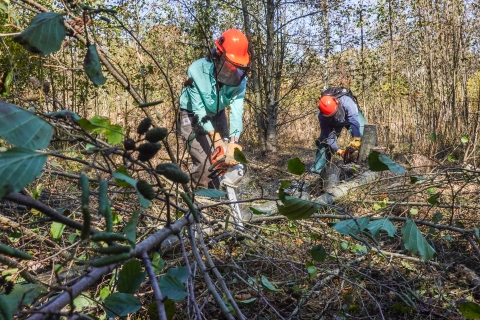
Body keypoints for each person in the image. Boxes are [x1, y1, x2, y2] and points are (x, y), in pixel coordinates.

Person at [178, 29, 251, 188]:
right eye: (231, 65)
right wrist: (216, 138)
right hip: (191, 113)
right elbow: (198, 110)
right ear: (218, 55)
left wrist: (233, 141)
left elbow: (237, 111)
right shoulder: (196, 70)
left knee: (225, 157)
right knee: (204, 162)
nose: (233, 71)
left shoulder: (240, 80)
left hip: (217, 112)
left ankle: (225, 196)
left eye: (238, 67)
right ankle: (204, 204)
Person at [310, 87, 366, 175]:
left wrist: (357, 138)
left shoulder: (347, 102)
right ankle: (319, 171)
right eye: (330, 115)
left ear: (337, 103)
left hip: (349, 117)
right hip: (334, 123)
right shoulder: (321, 116)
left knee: (365, 133)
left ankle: (368, 163)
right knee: (324, 142)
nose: (333, 115)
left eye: (333, 113)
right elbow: (329, 135)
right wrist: (338, 150)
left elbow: (354, 120)